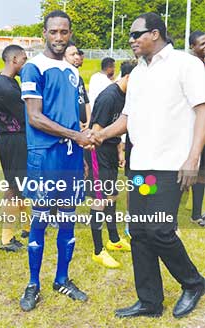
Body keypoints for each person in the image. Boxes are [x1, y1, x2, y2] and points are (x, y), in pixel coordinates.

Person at [89, 13, 205, 319]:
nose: (131, 40)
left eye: (136, 34)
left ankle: (193, 283)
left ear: (155, 33)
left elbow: (202, 110)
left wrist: (193, 158)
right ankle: (150, 301)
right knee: (139, 231)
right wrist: (101, 134)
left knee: (160, 229)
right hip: (141, 164)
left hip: (173, 163)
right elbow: (128, 119)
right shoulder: (138, 73)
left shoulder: (186, 65)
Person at [18, 10, 91, 312]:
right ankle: (33, 283)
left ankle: (62, 278)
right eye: (53, 32)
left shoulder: (73, 72)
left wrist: (82, 152)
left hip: (71, 157)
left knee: (68, 217)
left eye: (64, 32)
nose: (59, 38)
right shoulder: (34, 68)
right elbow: (35, 118)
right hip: (44, 155)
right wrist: (74, 136)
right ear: (44, 33)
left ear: (70, 32)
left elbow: (75, 116)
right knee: (40, 218)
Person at [84, 60, 136, 269]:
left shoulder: (127, 96)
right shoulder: (108, 97)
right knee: (100, 200)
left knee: (112, 196)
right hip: (97, 153)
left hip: (111, 153)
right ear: (129, 77)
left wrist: (119, 151)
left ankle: (113, 239)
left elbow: (116, 129)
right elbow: (96, 132)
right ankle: (98, 250)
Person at [0, 44, 30, 252]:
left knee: (20, 185)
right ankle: (7, 238)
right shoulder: (5, 86)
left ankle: (26, 226)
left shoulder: (9, 81)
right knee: (14, 188)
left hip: (14, 139)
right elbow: (28, 114)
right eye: (23, 59)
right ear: (14, 60)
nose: (25, 64)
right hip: (13, 140)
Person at [186, 30, 205, 225]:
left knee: (203, 173)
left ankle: (197, 214)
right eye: (202, 43)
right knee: (191, 170)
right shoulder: (190, 67)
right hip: (192, 126)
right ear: (193, 47)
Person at [64, 43, 90, 130]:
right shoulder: (62, 78)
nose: (77, 57)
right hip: (71, 125)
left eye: (77, 54)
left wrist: (89, 121)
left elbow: (86, 101)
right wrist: (75, 121)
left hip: (84, 125)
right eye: (72, 55)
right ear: (63, 57)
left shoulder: (79, 79)